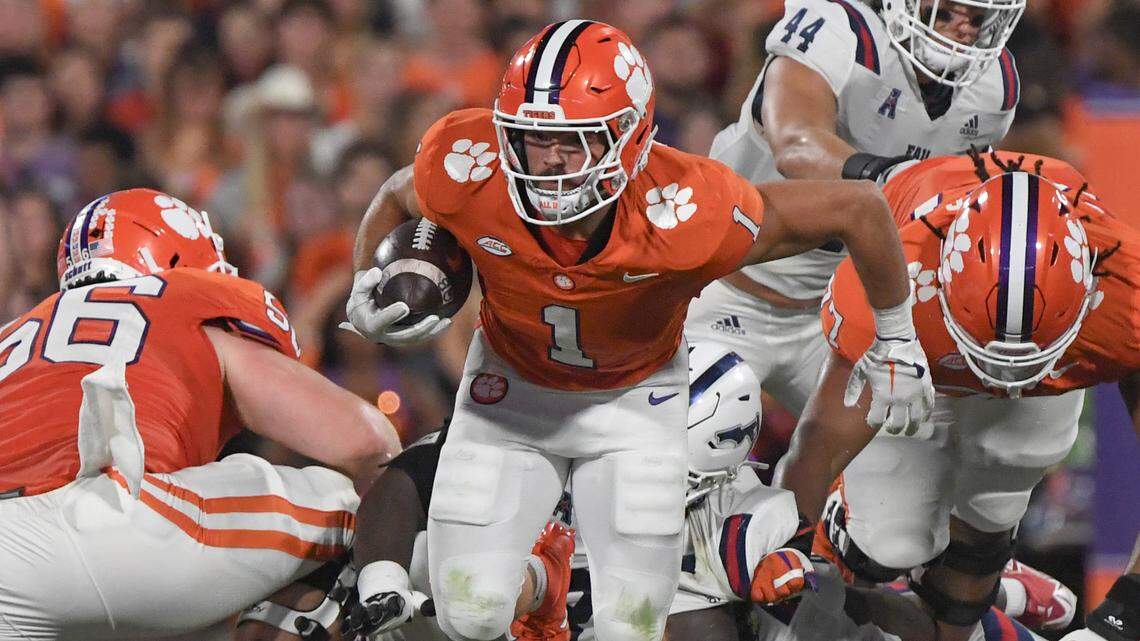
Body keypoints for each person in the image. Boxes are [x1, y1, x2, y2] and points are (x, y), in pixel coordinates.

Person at [346, 19, 933, 641]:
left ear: (629, 140)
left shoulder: (689, 209)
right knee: (469, 611)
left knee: (632, 628)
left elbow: (860, 208)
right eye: (531, 138)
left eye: (573, 142)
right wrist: (365, 283)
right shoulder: (469, 165)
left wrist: (897, 334)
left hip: (635, 402)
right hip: (508, 391)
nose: (547, 161)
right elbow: (398, 194)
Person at [0, 188, 401, 640]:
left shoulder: (15, 332)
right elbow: (364, 442)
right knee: (351, 500)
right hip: (102, 528)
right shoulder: (178, 298)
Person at [777, 150, 1139, 641]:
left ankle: (990, 579)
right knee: (888, 541)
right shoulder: (893, 285)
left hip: (1028, 374)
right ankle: (856, 533)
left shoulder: (1128, 298)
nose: (1003, 380)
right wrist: (785, 554)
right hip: (920, 351)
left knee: (986, 526)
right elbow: (817, 448)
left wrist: (1120, 620)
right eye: (988, 357)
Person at [686, 0, 1025, 420]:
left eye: (977, 19)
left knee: (905, 447)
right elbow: (796, 144)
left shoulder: (993, 87)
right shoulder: (841, 30)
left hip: (835, 316)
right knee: (709, 430)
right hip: (723, 291)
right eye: (945, 13)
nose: (963, 31)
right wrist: (897, 178)